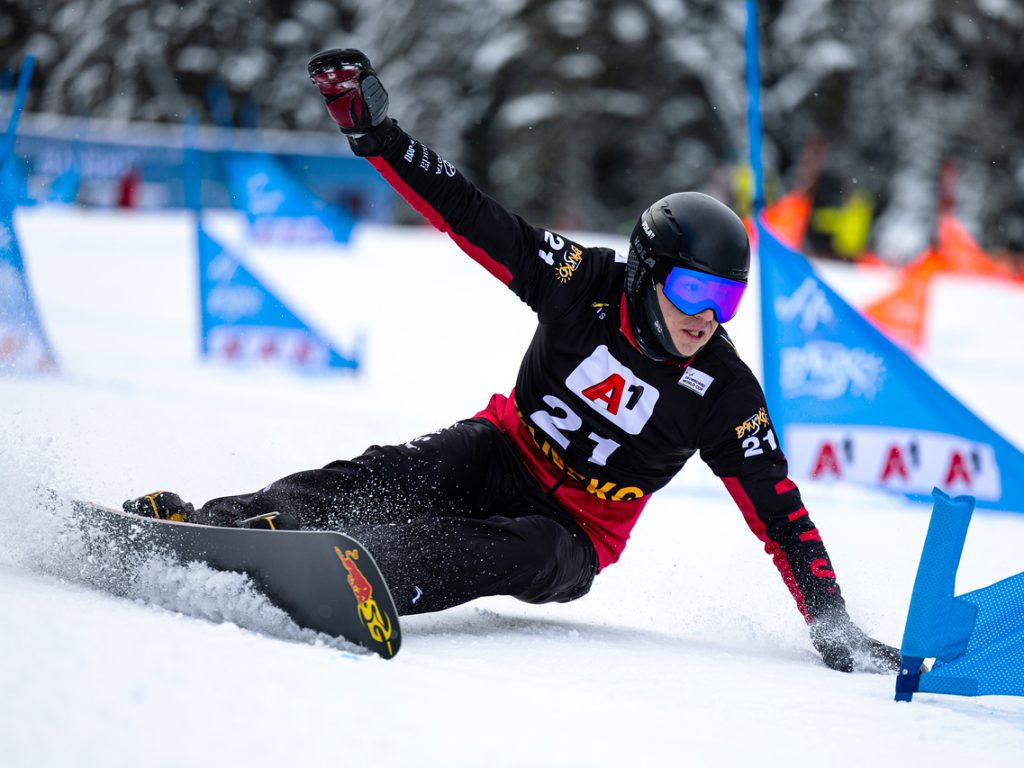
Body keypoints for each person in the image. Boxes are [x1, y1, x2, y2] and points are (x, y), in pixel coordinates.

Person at [125, 49, 902, 674]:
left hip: (572, 533)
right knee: (396, 470)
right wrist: (377, 137)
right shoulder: (582, 283)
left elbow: (781, 512)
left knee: (511, 547)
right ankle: (222, 525)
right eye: (694, 290)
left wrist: (831, 625)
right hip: (505, 449)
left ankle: (355, 575)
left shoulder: (723, 390)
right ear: (647, 271)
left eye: (726, 300)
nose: (707, 317)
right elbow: (472, 215)